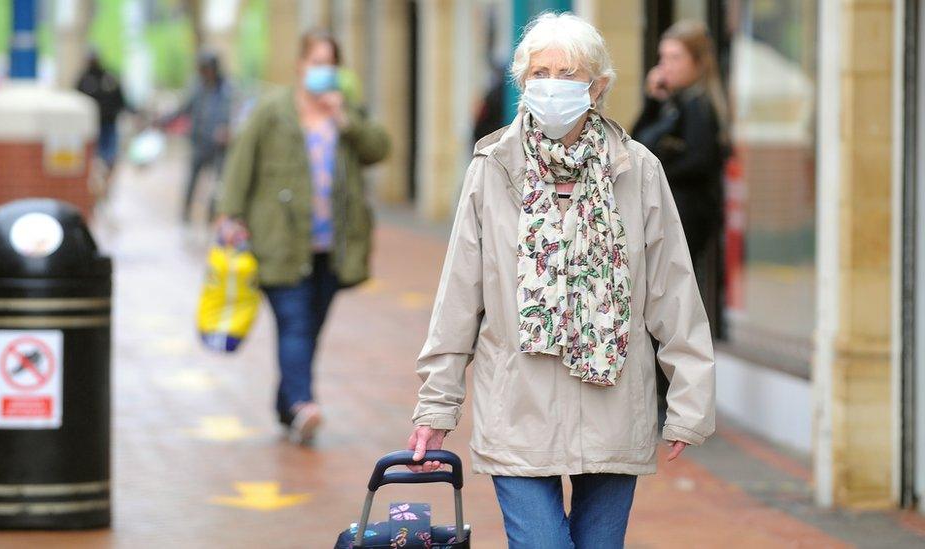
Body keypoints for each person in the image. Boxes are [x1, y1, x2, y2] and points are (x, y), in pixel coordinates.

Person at [406, 12, 715, 549]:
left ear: (596, 87)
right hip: (517, 409)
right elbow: (459, 294)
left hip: (614, 408)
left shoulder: (637, 170)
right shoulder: (493, 168)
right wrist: (437, 405)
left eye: (566, 73)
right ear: (523, 83)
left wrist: (689, 403)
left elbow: (673, 289)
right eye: (539, 73)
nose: (550, 86)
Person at [219, 29, 390, 444]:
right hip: (279, 240)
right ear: (300, 65)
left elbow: (379, 149)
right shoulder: (272, 110)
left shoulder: (343, 111)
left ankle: (288, 404)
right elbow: (241, 162)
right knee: (294, 324)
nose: (322, 71)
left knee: (309, 329)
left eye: (330, 63)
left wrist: (344, 119)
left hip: (332, 246)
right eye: (316, 62)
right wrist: (229, 214)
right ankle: (303, 404)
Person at [632, 19, 727, 278]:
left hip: (685, 217)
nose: (665, 66)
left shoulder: (698, 106)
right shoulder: (672, 102)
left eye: (675, 57)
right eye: (663, 57)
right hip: (667, 213)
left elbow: (699, 161)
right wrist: (652, 101)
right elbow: (634, 143)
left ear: (697, 62)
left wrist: (658, 169)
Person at [161, 50, 233, 222]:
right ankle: (185, 214)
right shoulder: (197, 87)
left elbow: (232, 113)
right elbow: (185, 109)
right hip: (199, 142)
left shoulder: (226, 89)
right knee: (192, 180)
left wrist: (226, 128)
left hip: (218, 146)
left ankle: (212, 215)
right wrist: (164, 121)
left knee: (218, 184)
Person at [76, 51, 130, 176]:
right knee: (95, 158)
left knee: (110, 156)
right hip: (92, 126)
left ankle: (106, 181)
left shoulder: (109, 78)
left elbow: (120, 99)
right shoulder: (84, 79)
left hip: (109, 123)